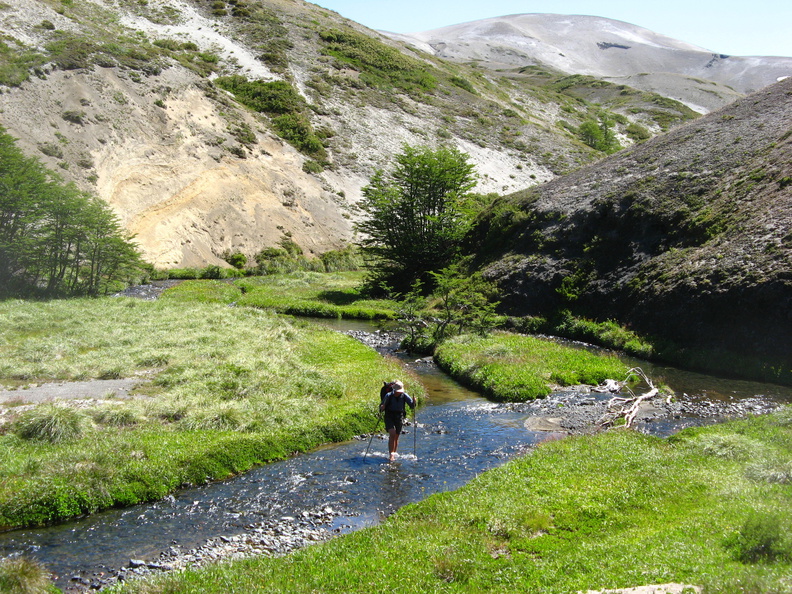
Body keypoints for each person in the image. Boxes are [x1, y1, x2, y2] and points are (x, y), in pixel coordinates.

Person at [379, 380, 416, 461]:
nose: (399, 393)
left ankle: (394, 453)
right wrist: (382, 407)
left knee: (396, 436)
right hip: (389, 416)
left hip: (399, 417)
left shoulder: (404, 395)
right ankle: (391, 455)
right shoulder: (388, 395)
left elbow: (412, 406)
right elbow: (381, 406)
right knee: (392, 433)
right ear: (394, 390)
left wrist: (414, 402)